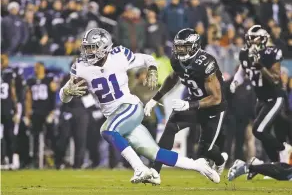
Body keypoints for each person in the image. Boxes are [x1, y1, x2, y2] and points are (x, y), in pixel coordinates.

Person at [59, 28, 220, 184]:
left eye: (92, 48)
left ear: (104, 47)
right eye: (86, 47)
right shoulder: (80, 67)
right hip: (116, 117)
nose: (87, 52)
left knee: (107, 130)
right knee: (155, 153)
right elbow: (64, 98)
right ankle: (199, 165)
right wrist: (66, 91)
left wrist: (152, 68)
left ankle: (140, 169)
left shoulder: (119, 55)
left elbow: (147, 58)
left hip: (130, 107)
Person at [144, 28, 228, 185]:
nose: (180, 50)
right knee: (170, 126)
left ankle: (221, 160)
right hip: (194, 103)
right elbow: (172, 78)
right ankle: (155, 171)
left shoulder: (206, 62)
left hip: (213, 109)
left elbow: (216, 98)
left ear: (195, 46)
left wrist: (189, 104)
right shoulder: (176, 59)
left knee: (205, 151)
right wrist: (155, 99)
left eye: (185, 46)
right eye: (179, 46)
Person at [230, 25, 292, 167]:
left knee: (259, 130)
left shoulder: (271, 52)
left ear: (263, 40)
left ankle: (284, 149)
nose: (251, 43)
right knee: (262, 135)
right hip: (261, 100)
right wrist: (235, 82)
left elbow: (276, 78)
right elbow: (242, 70)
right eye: (249, 39)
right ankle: (277, 165)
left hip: (275, 97)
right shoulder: (245, 54)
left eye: (255, 40)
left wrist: (261, 65)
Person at [24, 62, 58, 168]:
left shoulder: (49, 79)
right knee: (34, 137)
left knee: (50, 136)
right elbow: (28, 98)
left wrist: (52, 112)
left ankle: (52, 158)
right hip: (35, 112)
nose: (36, 69)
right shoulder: (31, 81)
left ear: (43, 68)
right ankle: (35, 160)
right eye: (35, 68)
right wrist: (27, 114)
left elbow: (54, 95)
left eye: (38, 67)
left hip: (47, 112)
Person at [1, 54, 19, 169]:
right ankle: (3, 159)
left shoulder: (8, 74)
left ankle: (11, 159)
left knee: (9, 135)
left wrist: (16, 110)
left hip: (7, 108)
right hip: (5, 108)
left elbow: (13, 92)